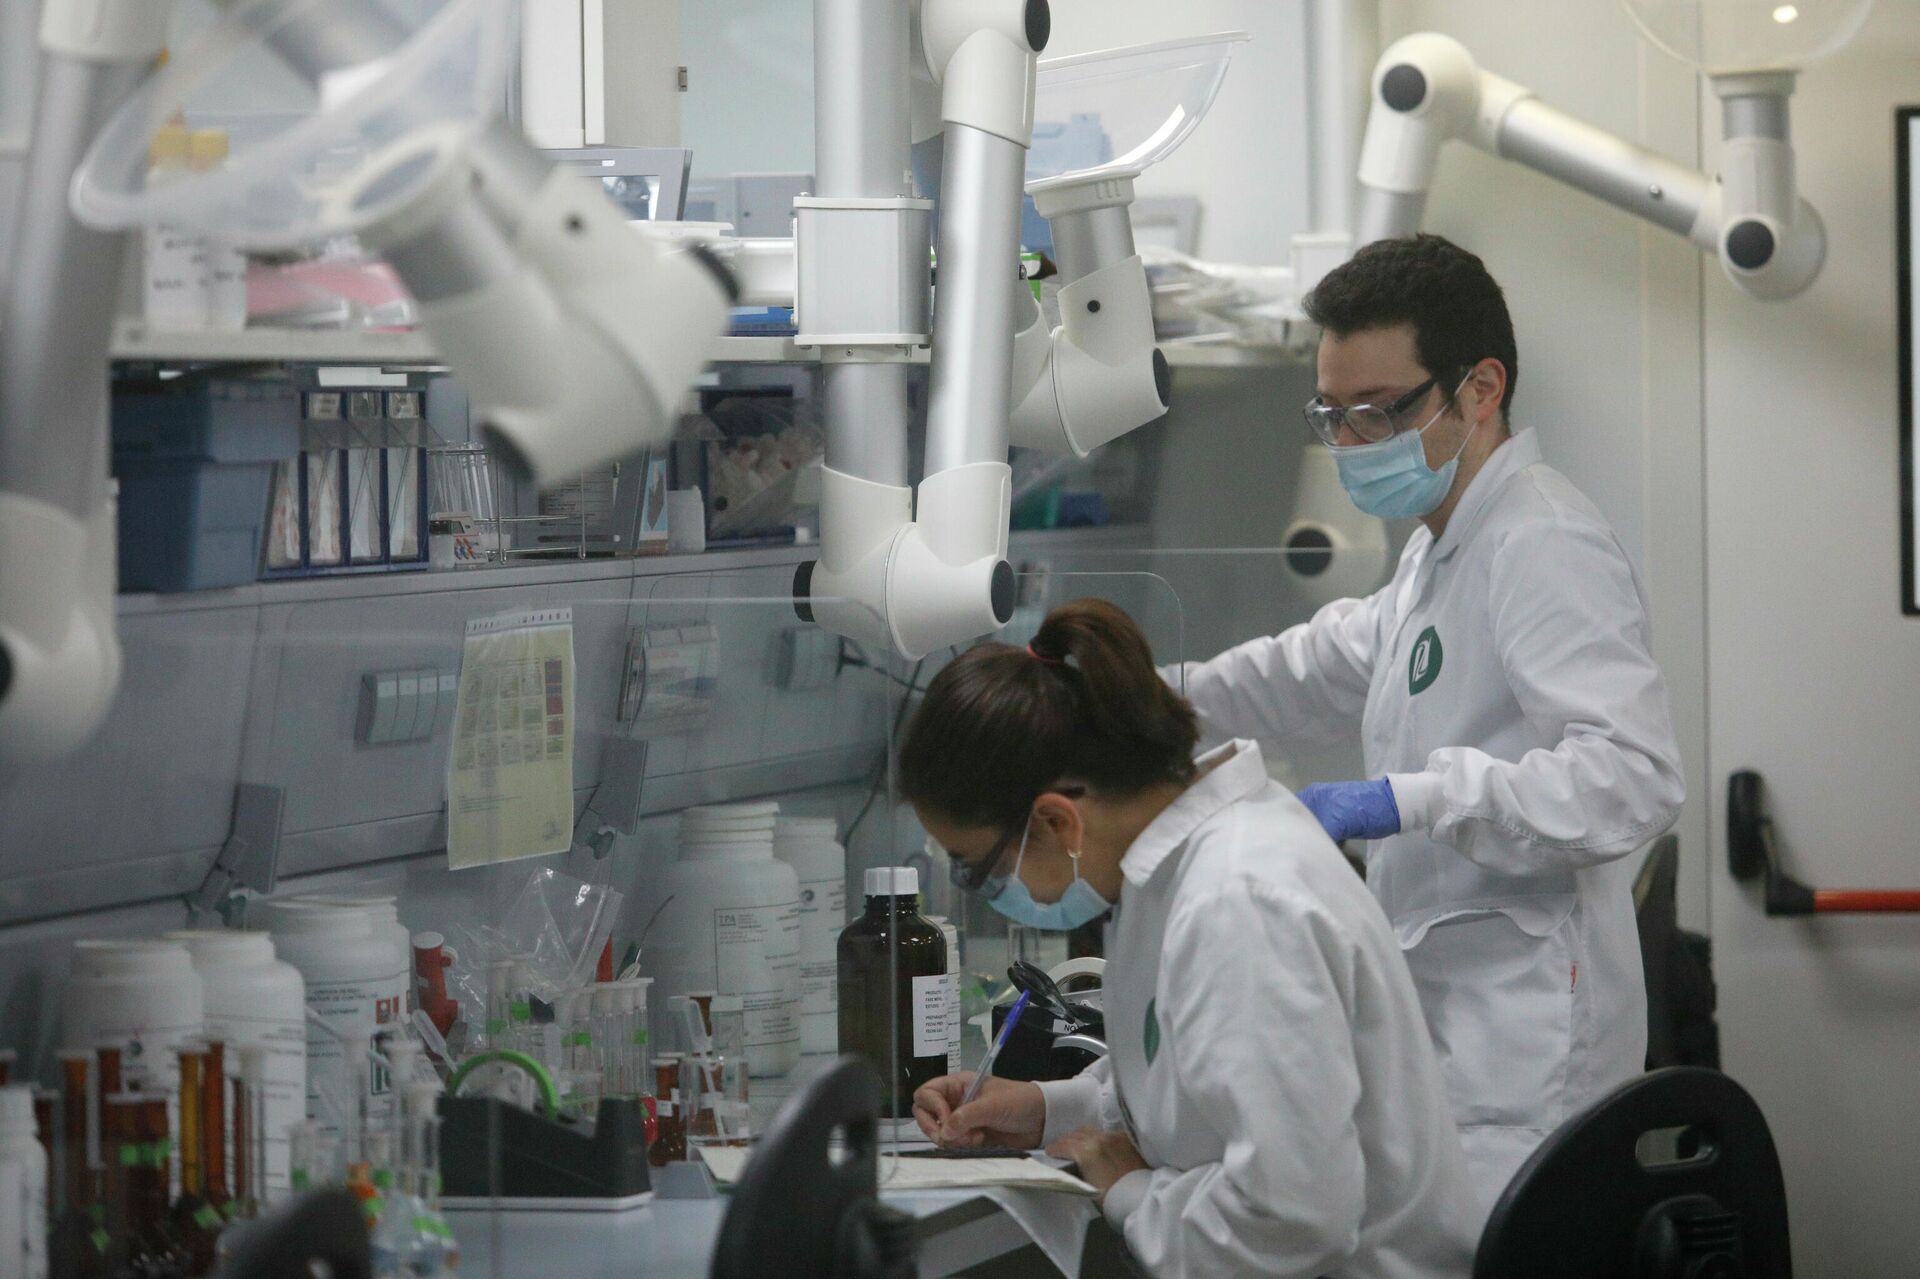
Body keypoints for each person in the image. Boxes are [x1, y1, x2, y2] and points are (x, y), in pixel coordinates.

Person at [1167, 233, 1685, 1207]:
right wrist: (1150, 698)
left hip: (1527, 1070)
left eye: (1378, 413)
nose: (1352, 444)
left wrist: (1410, 799)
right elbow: (1314, 665)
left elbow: (1634, 778)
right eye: (1334, 415)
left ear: (1479, 388)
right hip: (1462, 1055)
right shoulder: (1445, 551)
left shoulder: (1541, 540)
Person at [900, 599, 1480, 1279]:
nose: (989, 888)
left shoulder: (1238, 902)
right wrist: (1048, 1108)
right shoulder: (1169, 871)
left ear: (1058, 821)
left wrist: (1134, 1194)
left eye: (979, 866)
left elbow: (1293, 1216)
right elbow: (1190, 1082)